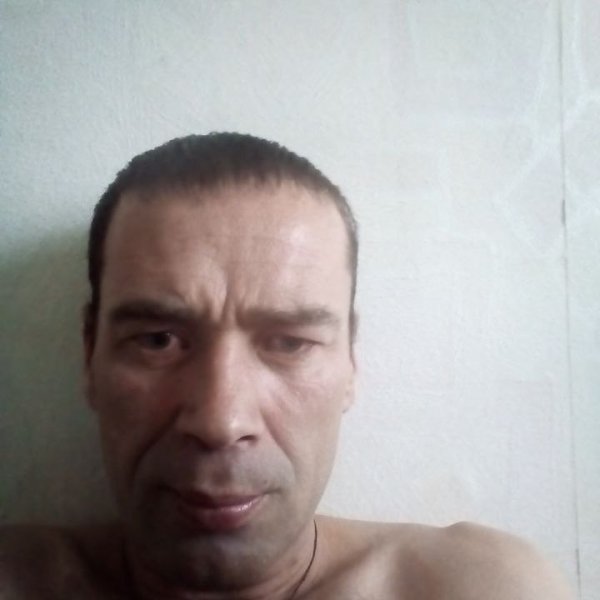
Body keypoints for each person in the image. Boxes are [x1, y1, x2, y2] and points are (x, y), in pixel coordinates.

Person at [0, 133, 572, 599]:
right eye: (157, 340)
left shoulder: (486, 589)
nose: (221, 422)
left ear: (351, 361)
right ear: (90, 353)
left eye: (290, 343)